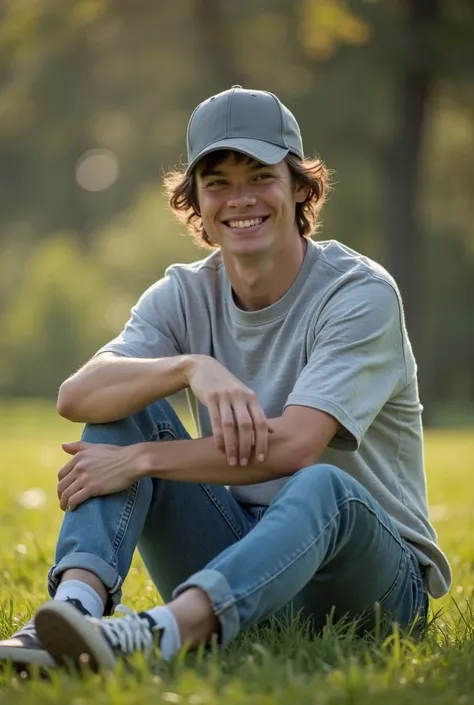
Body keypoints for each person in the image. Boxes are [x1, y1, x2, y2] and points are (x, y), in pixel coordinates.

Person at [0, 86, 451, 672]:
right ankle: (70, 616)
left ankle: (154, 636)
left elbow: (293, 448)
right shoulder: (185, 293)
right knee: (122, 402)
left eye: (260, 176)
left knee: (321, 487)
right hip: (240, 564)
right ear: (196, 203)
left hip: (371, 591)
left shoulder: (358, 293)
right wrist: (192, 367)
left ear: (299, 188)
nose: (240, 200)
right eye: (217, 183)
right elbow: (77, 395)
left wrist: (141, 461)